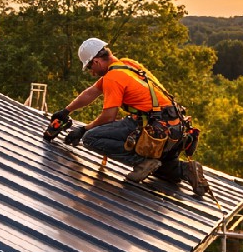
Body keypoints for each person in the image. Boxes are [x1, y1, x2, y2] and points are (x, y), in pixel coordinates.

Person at [55, 38, 208, 195]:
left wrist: (83, 130)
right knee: (165, 171)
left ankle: (142, 162)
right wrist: (66, 111)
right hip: (175, 131)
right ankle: (186, 170)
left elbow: (108, 117)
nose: (92, 72)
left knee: (91, 138)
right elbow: (91, 92)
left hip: (155, 130)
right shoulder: (128, 64)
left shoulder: (113, 77)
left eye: (89, 67)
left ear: (96, 61)